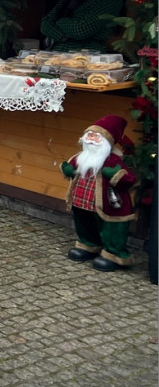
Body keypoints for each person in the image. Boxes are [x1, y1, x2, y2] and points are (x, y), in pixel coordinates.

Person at [61, 115, 138, 272]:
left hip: (109, 204)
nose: (90, 139)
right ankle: (88, 245)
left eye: (96, 136)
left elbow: (130, 179)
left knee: (112, 229)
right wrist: (67, 169)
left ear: (106, 141)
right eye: (89, 135)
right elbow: (70, 166)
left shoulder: (112, 160)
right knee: (84, 223)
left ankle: (113, 254)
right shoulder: (81, 157)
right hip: (82, 201)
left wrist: (116, 175)